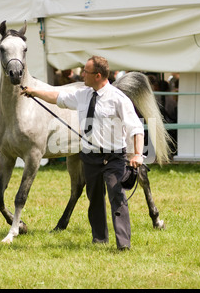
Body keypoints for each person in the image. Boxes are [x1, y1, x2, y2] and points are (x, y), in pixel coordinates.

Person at [22, 56, 144, 250]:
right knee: (94, 199)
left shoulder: (118, 99)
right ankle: (99, 240)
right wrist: (34, 92)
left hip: (113, 157)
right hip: (90, 155)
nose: (82, 75)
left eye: (86, 72)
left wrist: (137, 154)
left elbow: (136, 127)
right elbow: (56, 98)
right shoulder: (83, 94)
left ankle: (123, 244)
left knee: (117, 198)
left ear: (98, 75)